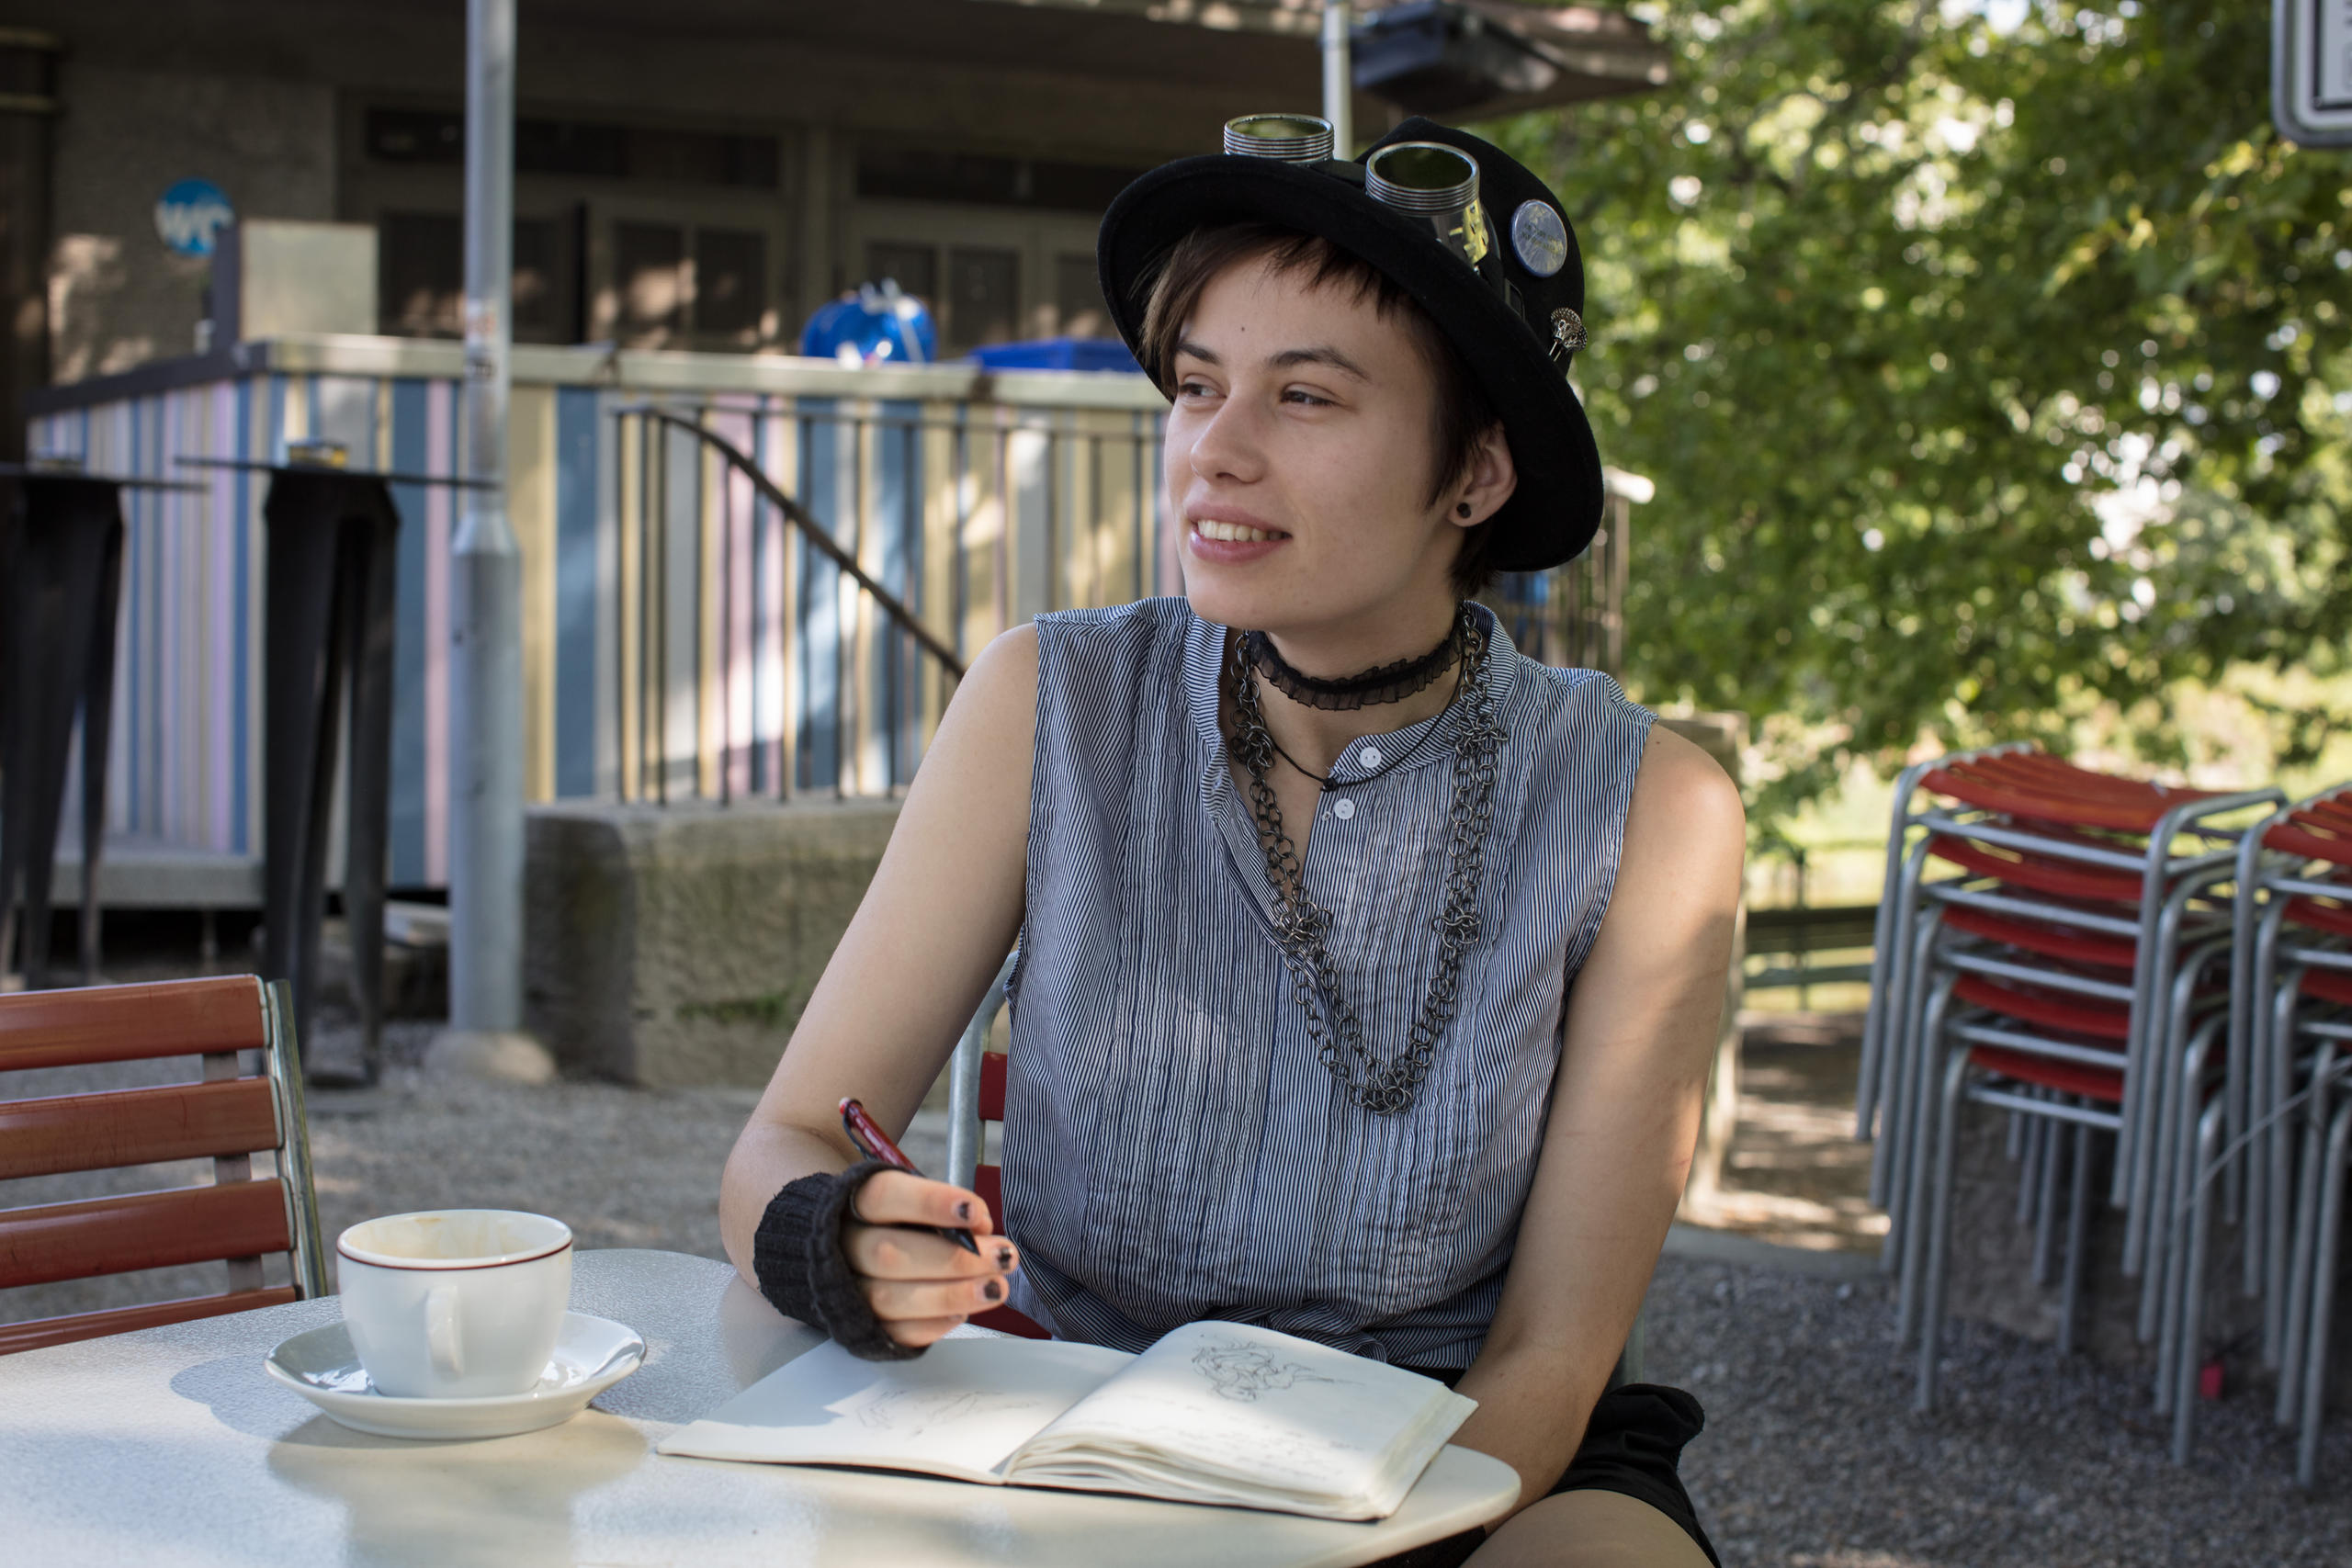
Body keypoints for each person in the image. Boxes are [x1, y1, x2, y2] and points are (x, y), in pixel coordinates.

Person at [720, 116, 1744, 1568]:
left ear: (1478, 475)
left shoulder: (1651, 806)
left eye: (1307, 399)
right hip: (1066, 1421)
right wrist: (834, 1237)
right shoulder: (1047, 700)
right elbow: (785, 1144)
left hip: (1454, 1459)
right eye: (1196, 386)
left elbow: (1551, 1363)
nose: (1215, 449)